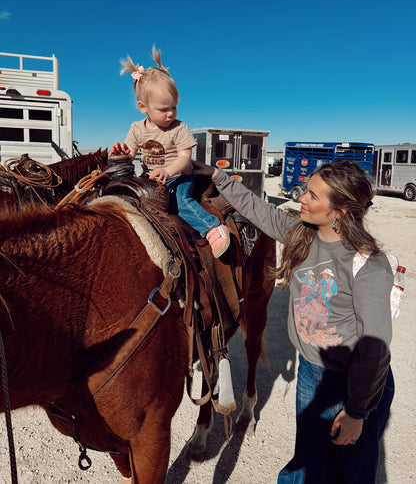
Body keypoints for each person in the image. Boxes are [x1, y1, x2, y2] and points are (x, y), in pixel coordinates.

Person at [193, 158, 394, 483]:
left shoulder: (367, 264)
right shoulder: (300, 234)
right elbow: (255, 208)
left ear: (340, 211)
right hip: (311, 373)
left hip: (354, 382)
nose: (302, 197)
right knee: (308, 462)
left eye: (313, 196)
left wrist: (357, 412)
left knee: (351, 471)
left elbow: (374, 349)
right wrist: (217, 175)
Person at [110, 46, 230, 258]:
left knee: (179, 202)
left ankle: (212, 228)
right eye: (163, 109)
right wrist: (121, 153)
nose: (170, 114)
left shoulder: (179, 128)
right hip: (151, 179)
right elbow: (130, 155)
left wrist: (167, 171)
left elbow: (185, 158)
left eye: (173, 107)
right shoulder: (136, 128)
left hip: (179, 178)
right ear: (142, 107)